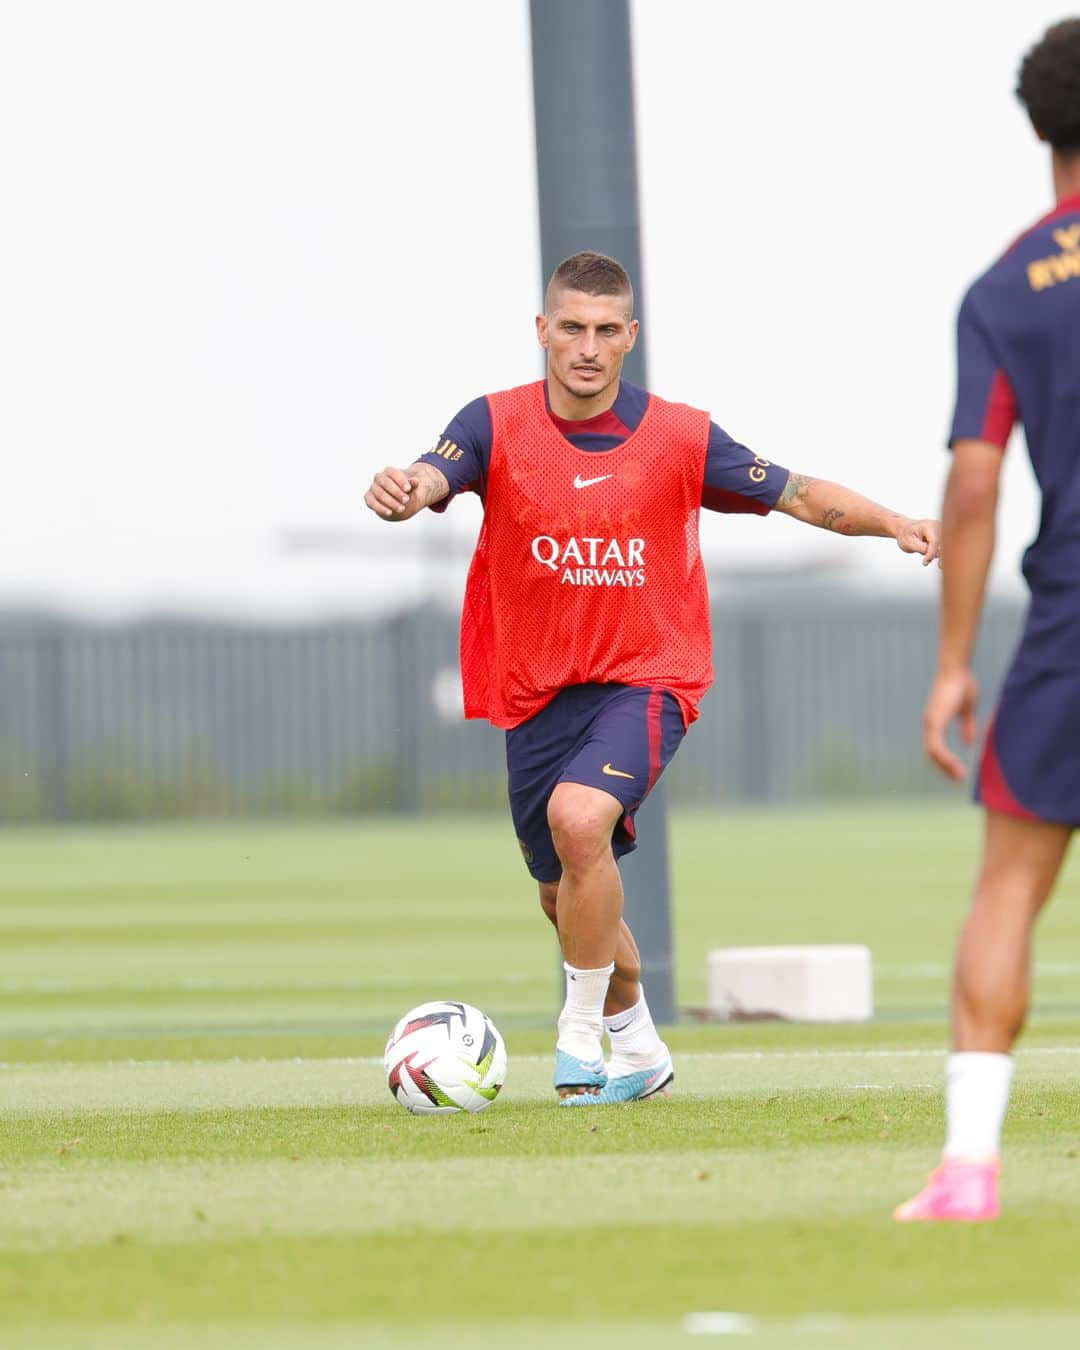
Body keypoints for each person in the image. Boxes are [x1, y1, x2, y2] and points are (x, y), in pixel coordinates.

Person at [365, 249, 940, 1105]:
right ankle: (642, 1049)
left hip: (650, 679)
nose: (587, 347)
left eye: (605, 331)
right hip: (536, 694)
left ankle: (579, 1035)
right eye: (571, 329)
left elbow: (798, 492)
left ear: (630, 337)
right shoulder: (494, 424)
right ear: (542, 332)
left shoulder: (679, 435)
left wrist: (893, 520)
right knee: (566, 899)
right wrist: (408, 488)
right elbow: (434, 470)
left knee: (580, 818)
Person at [894, 19, 1080, 1222]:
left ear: (1036, 126)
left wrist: (954, 662)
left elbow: (972, 484)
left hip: (1071, 618)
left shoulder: (1005, 288)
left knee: (1008, 887)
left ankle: (968, 1169)